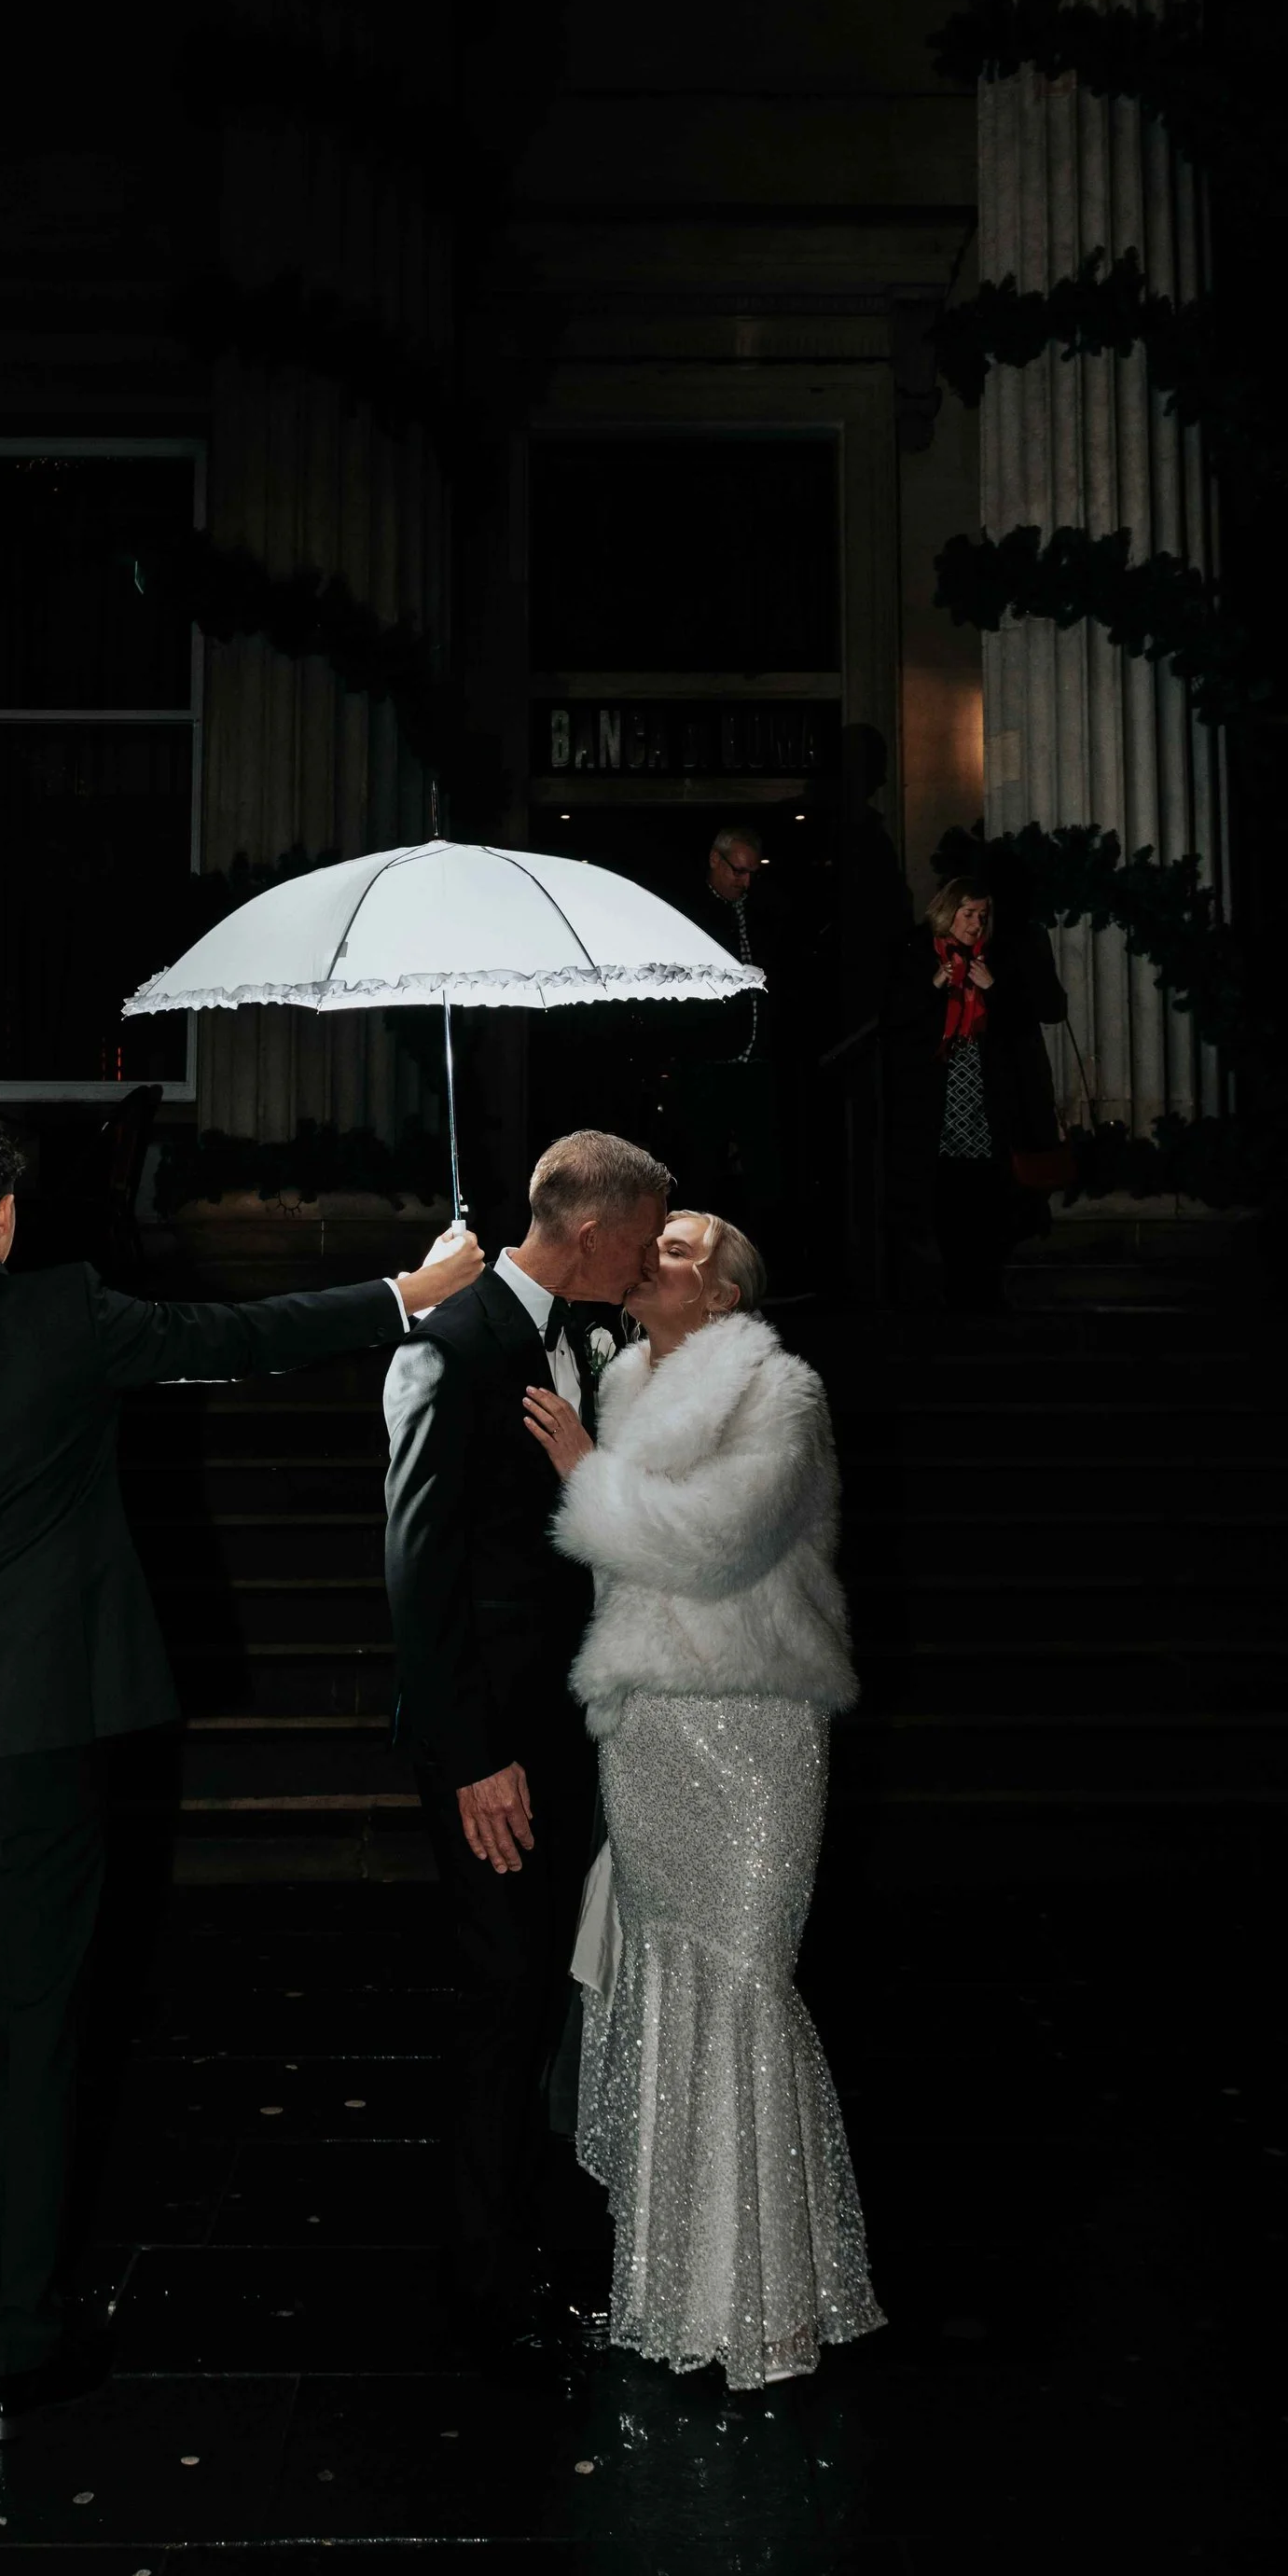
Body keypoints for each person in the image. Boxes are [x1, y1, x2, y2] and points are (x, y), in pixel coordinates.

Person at [0, 1110, 483, 2439]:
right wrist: (410, 1290)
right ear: (7, 1214)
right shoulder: (63, 1315)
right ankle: (18, 2339)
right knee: (33, 2026)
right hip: (42, 1721)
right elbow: (241, 1338)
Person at [523, 1211, 882, 2389]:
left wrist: (587, 1474)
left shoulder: (777, 1391)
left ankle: (768, 2305)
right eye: (656, 1240)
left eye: (681, 1248)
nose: (654, 1254)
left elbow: (720, 1542)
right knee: (666, 1980)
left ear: (724, 1293)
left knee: (743, 1977)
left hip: (753, 1718)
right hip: (649, 1727)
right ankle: (675, 2291)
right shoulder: (618, 1380)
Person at [381, 1127, 671, 2353]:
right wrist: (470, 1758)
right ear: (593, 1232)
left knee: (536, 1985)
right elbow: (419, 1573)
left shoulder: (577, 1339)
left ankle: (515, 2247)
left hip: (558, 1723)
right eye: (641, 1240)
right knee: (503, 1994)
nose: (647, 1261)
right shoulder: (447, 1348)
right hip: (487, 1741)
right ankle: (485, 2284)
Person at [884, 871, 1069, 1309]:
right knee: (943, 1186)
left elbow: (1037, 1015)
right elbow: (894, 1018)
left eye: (982, 916)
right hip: (936, 1092)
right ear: (948, 911)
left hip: (987, 1090)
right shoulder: (918, 950)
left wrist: (993, 989)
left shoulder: (998, 954)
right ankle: (950, 1280)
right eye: (968, 914)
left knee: (988, 1185)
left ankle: (983, 1281)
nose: (975, 924)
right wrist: (933, 984)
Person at [667, 823, 792, 1269]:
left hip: (754, 1064)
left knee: (764, 1168)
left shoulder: (761, 911)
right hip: (707, 1065)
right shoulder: (691, 912)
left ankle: (757, 1265)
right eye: (738, 871)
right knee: (702, 1168)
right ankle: (692, 1264)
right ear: (715, 861)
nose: (745, 881)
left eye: (752, 873)